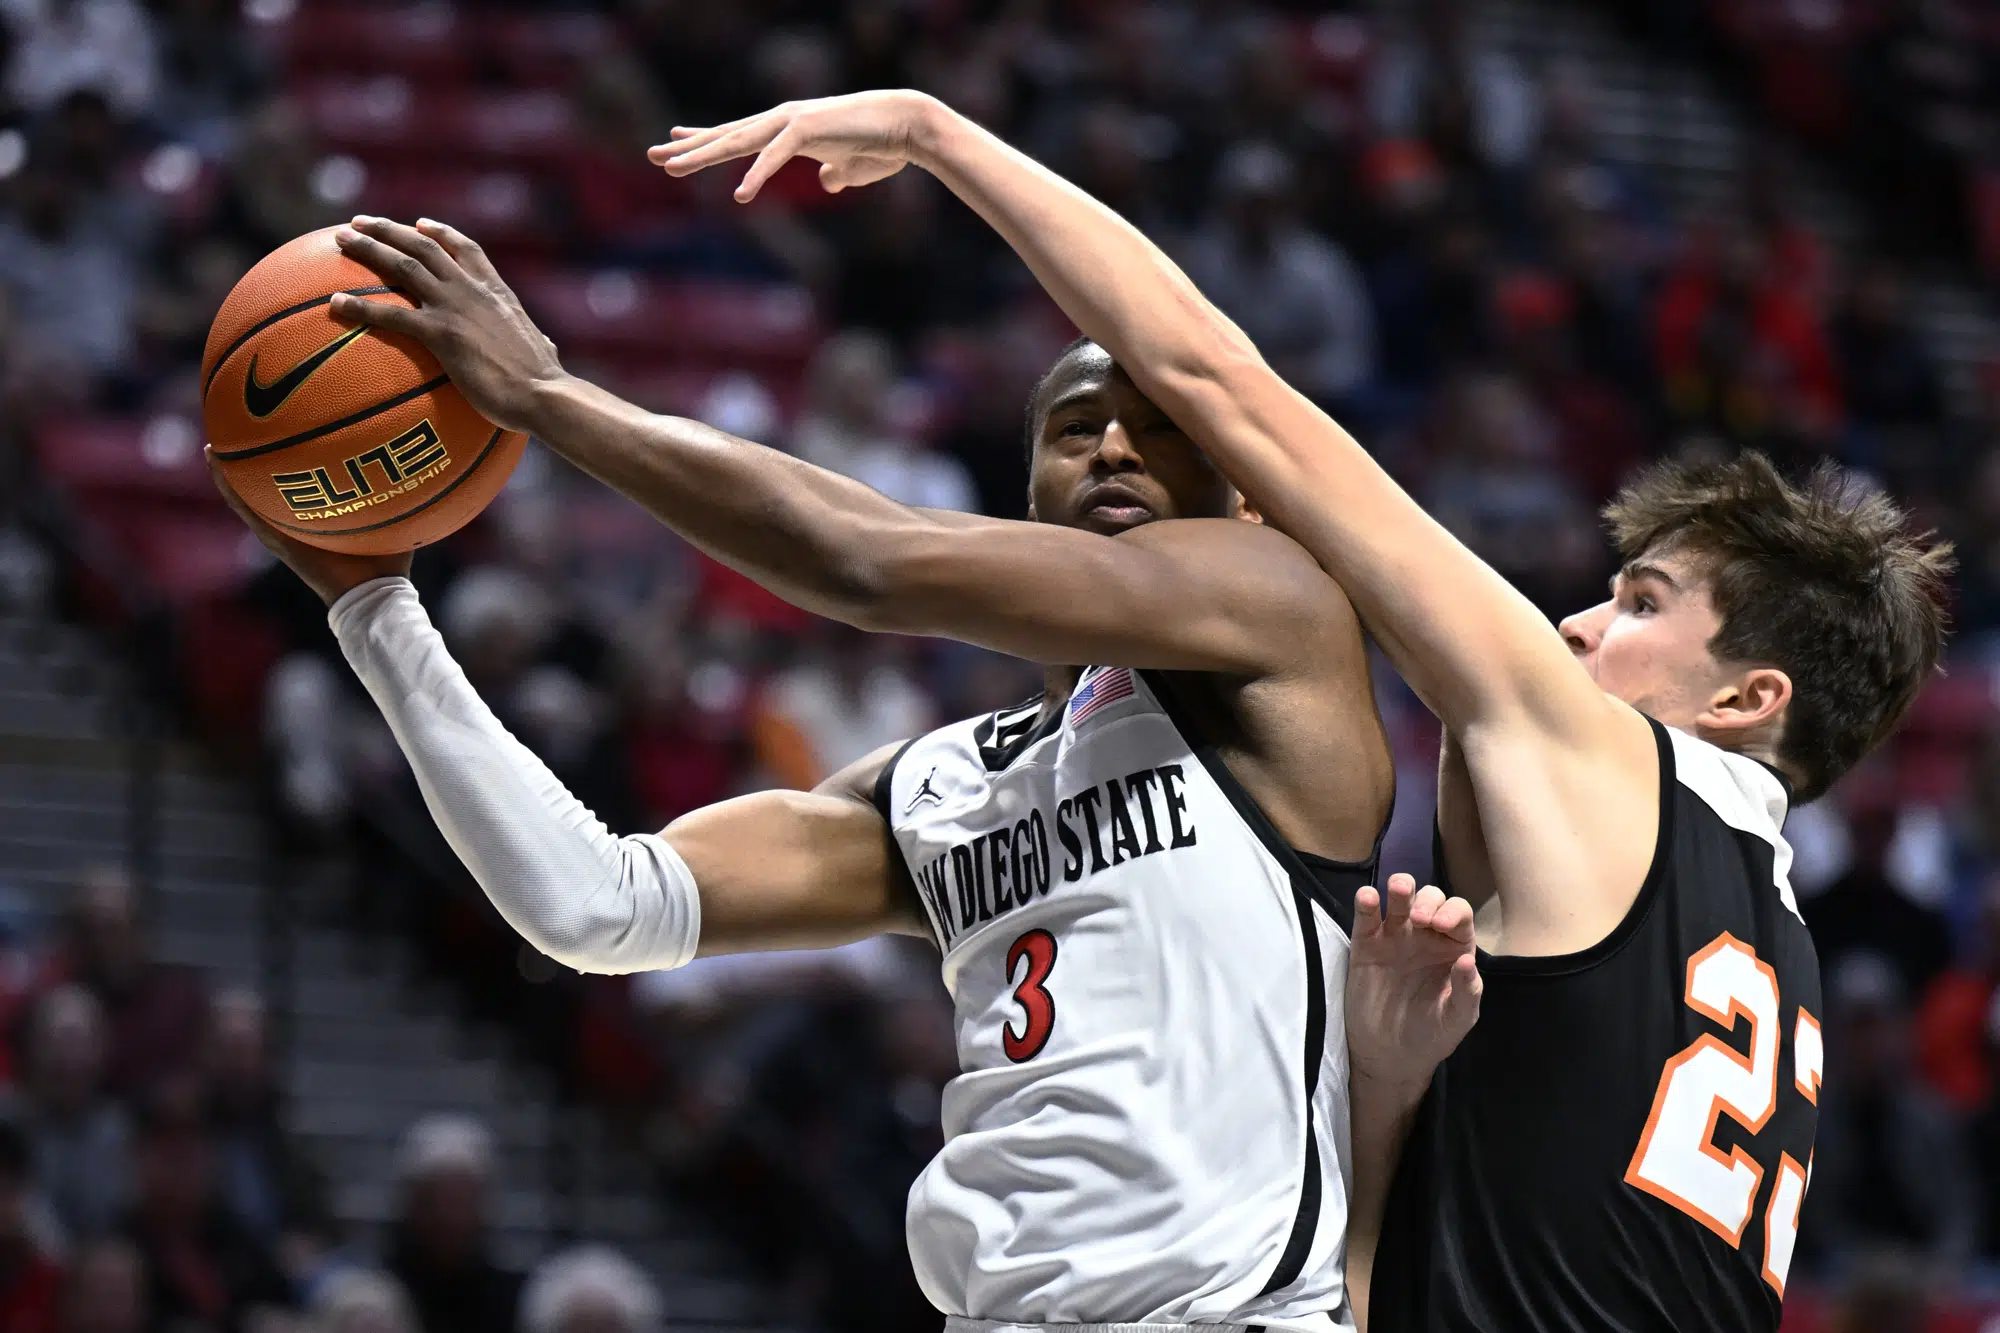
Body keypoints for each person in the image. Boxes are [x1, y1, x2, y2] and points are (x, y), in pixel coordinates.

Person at [651, 89, 1951, 1330]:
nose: (1577, 626)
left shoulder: (1607, 767)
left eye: (1642, 605)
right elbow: (1412, 1268)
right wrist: (1384, 1073)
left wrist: (939, 136)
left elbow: (1216, 381)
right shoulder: (1778, 952)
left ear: (1748, 697)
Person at [209, 213, 1481, 1332]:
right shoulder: (934, 789)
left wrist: (547, 396)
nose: (1109, 452)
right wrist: (377, 611)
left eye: (1157, 430)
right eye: (1075, 430)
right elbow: (598, 906)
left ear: (1243, 501)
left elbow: (868, 563)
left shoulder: (1281, 620)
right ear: (1027, 483)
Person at [381, 1116, 521, 1333]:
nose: (448, 1217)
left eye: (460, 1201)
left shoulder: (511, 1302)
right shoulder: (379, 1294)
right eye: (435, 1201)